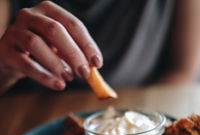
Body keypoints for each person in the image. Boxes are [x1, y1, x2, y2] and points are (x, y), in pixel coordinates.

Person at [0, 0, 200, 95]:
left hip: (145, 106)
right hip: (28, 122)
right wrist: (4, 70)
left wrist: (132, 122)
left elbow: (180, 72)